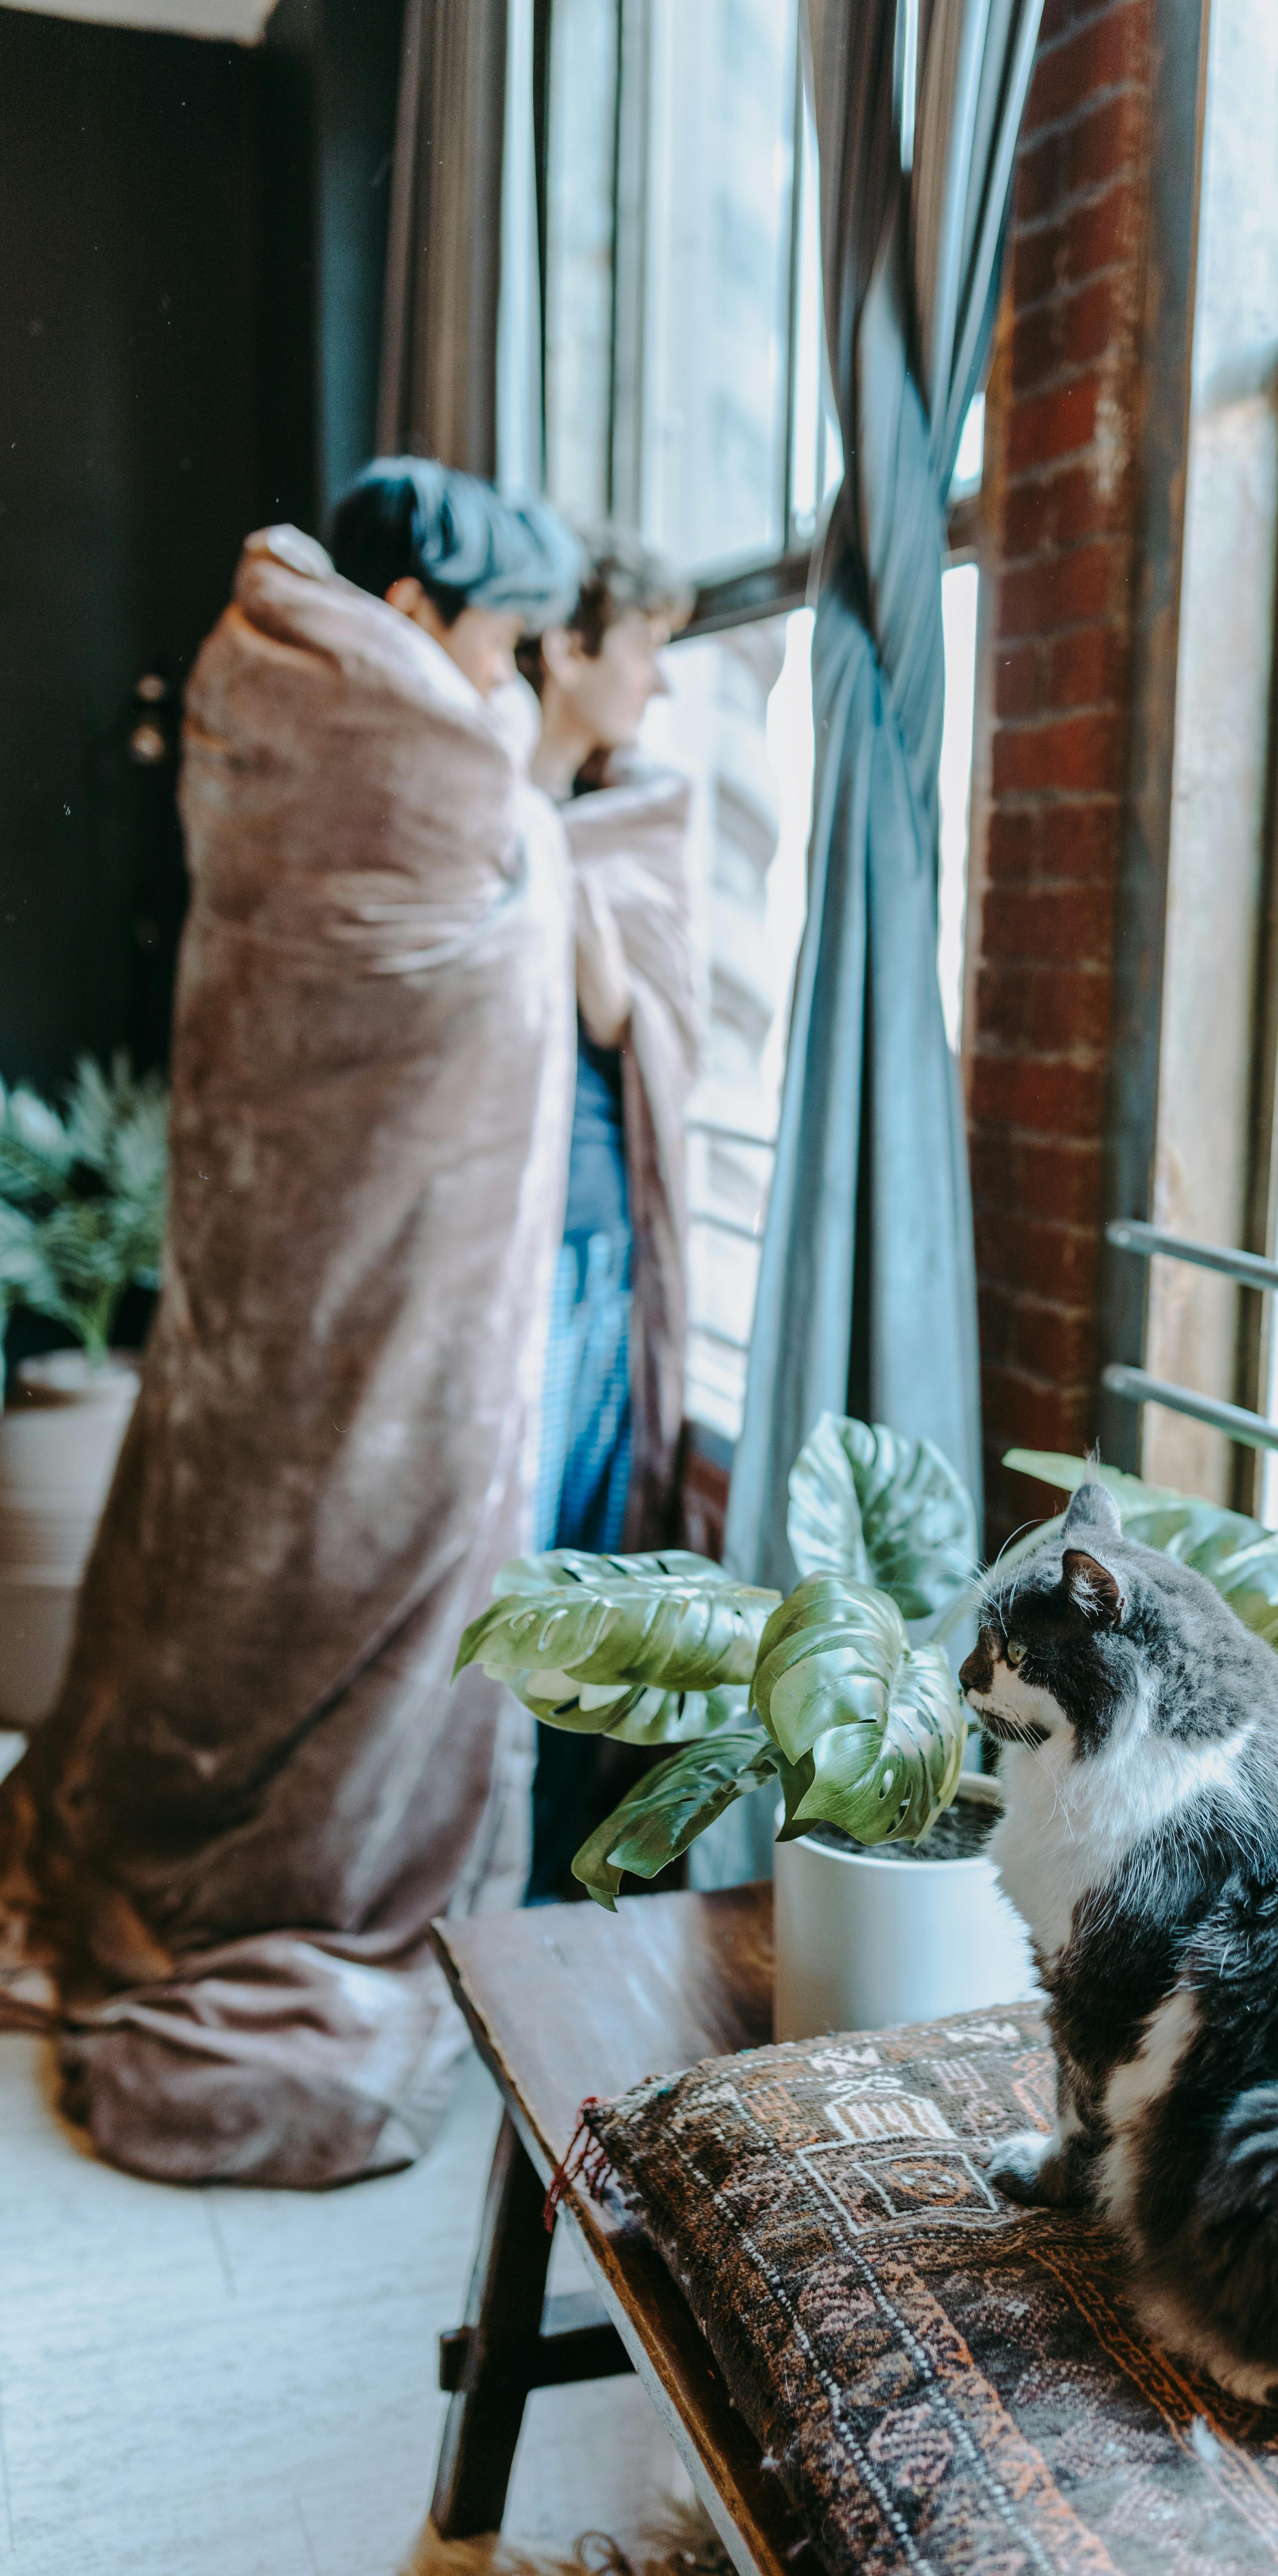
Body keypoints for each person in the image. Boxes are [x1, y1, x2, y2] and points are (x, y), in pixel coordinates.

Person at [0, 460, 580, 2186]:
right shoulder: (395, 743)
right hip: (379, 1283)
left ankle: (153, 1846)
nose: (518, 679)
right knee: (341, 1548)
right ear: (417, 619)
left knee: (224, 1549)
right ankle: (276, 1885)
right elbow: (476, 869)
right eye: (508, 637)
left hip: (266, 1270)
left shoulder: (264, 688)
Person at [516, 529, 701, 1900]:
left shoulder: (631, 811)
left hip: (591, 1230)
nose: (658, 678)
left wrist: (554, 853)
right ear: (568, 651)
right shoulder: (479, 791)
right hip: (497, 1236)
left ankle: (528, 1872)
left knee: (564, 1569)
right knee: (499, 1551)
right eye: (642, 645)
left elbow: (621, 1011)